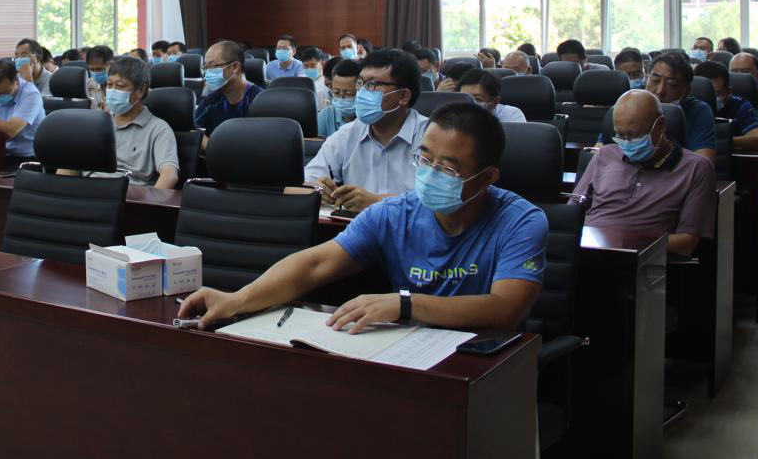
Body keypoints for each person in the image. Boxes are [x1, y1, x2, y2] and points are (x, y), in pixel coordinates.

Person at [180, 103, 548, 333]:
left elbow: (505, 310)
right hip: (411, 348)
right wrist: (237, 299)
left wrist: (405, 304)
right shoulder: (394, 214)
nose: (430, 173)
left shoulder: (520, 221)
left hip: (489, 359)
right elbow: (315, 264)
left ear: (486, 178)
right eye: (424, 159)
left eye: (448, 168)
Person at [570, 90, 716, 256]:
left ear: (660, 125)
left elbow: (686, 243)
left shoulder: (696, 168)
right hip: (585, 250)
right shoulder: (604, 155)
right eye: (620, 135)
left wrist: (620, 240)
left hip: (641, 260)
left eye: (634, 135)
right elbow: (571, 215)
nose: (626, 143)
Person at [305, 49, 429, 213]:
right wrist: (318, 188)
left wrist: (378, 202)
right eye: (361, 83)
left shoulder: (432, 138)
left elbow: (441, 204)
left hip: (412, 227)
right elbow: (306, 182)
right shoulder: (346, 135)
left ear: (403, 96)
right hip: (354, 227)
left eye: (372, 85)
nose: (362, 92)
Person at [94, 55, 179, 189]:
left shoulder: (158, 129)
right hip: (87, 191)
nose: (112, 91)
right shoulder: (96, 123)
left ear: (141, 90)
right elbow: (71, 165)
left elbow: (170, 174)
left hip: (128, 195)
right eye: (109, 85)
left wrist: (151, 200)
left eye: (120, 86)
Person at [0, 59, 44, 168]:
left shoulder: (31, 94)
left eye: (3, 92)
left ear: (16, 81)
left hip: (27, 158)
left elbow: (11, 130)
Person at [644, 53, 716, 161]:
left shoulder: (698, 110)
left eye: (671, 84)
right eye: (655, 80)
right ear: (646, 80)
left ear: (686, 91)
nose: (660, 91)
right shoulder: (631, 105)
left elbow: (704, 162)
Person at [195, 40, 261, 144]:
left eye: (213, 66)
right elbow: (195, 130)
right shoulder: (211, 101)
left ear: (235, 67)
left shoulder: (259, 101)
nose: (207, 73)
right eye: (206, 67)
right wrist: (214, 149)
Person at [693, 61, 758, 152]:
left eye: (717, 94)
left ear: (729, 92)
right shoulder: (687, 106)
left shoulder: (738, 104)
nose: (712, 99)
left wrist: (719, 142)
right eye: (707, 94)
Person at [459, 69, 525, 123]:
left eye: (477, 99)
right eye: (464, 98)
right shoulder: (454, 116)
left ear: (495, 102)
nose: (468, 104)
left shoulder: (511, 115)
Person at [317, 58, 360, 137]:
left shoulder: (371, 118)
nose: (341, 99)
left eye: (348, 94)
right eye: (336, 92)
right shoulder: (326, 116)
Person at [85, 45, 113, 110]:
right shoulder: (86, 85)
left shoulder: (121, 87)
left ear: (111, 65)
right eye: (92, 69)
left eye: (99, 69)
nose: (95, 73)